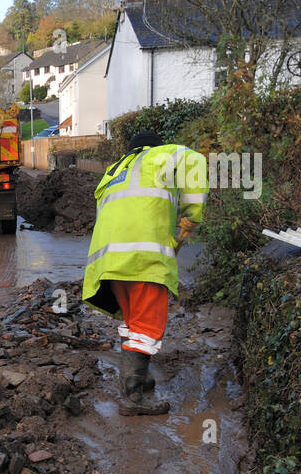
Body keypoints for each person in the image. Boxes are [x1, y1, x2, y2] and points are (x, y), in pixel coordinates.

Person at [81, 129, 207, 416]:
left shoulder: (114, 170)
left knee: (133, 319)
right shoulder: (162, 157)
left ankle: (138, 376)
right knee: (147, 325)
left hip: (110, 264)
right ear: (154, 147)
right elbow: (196, 162)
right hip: (144, 260)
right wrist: (190, 216)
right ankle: (132, 395)